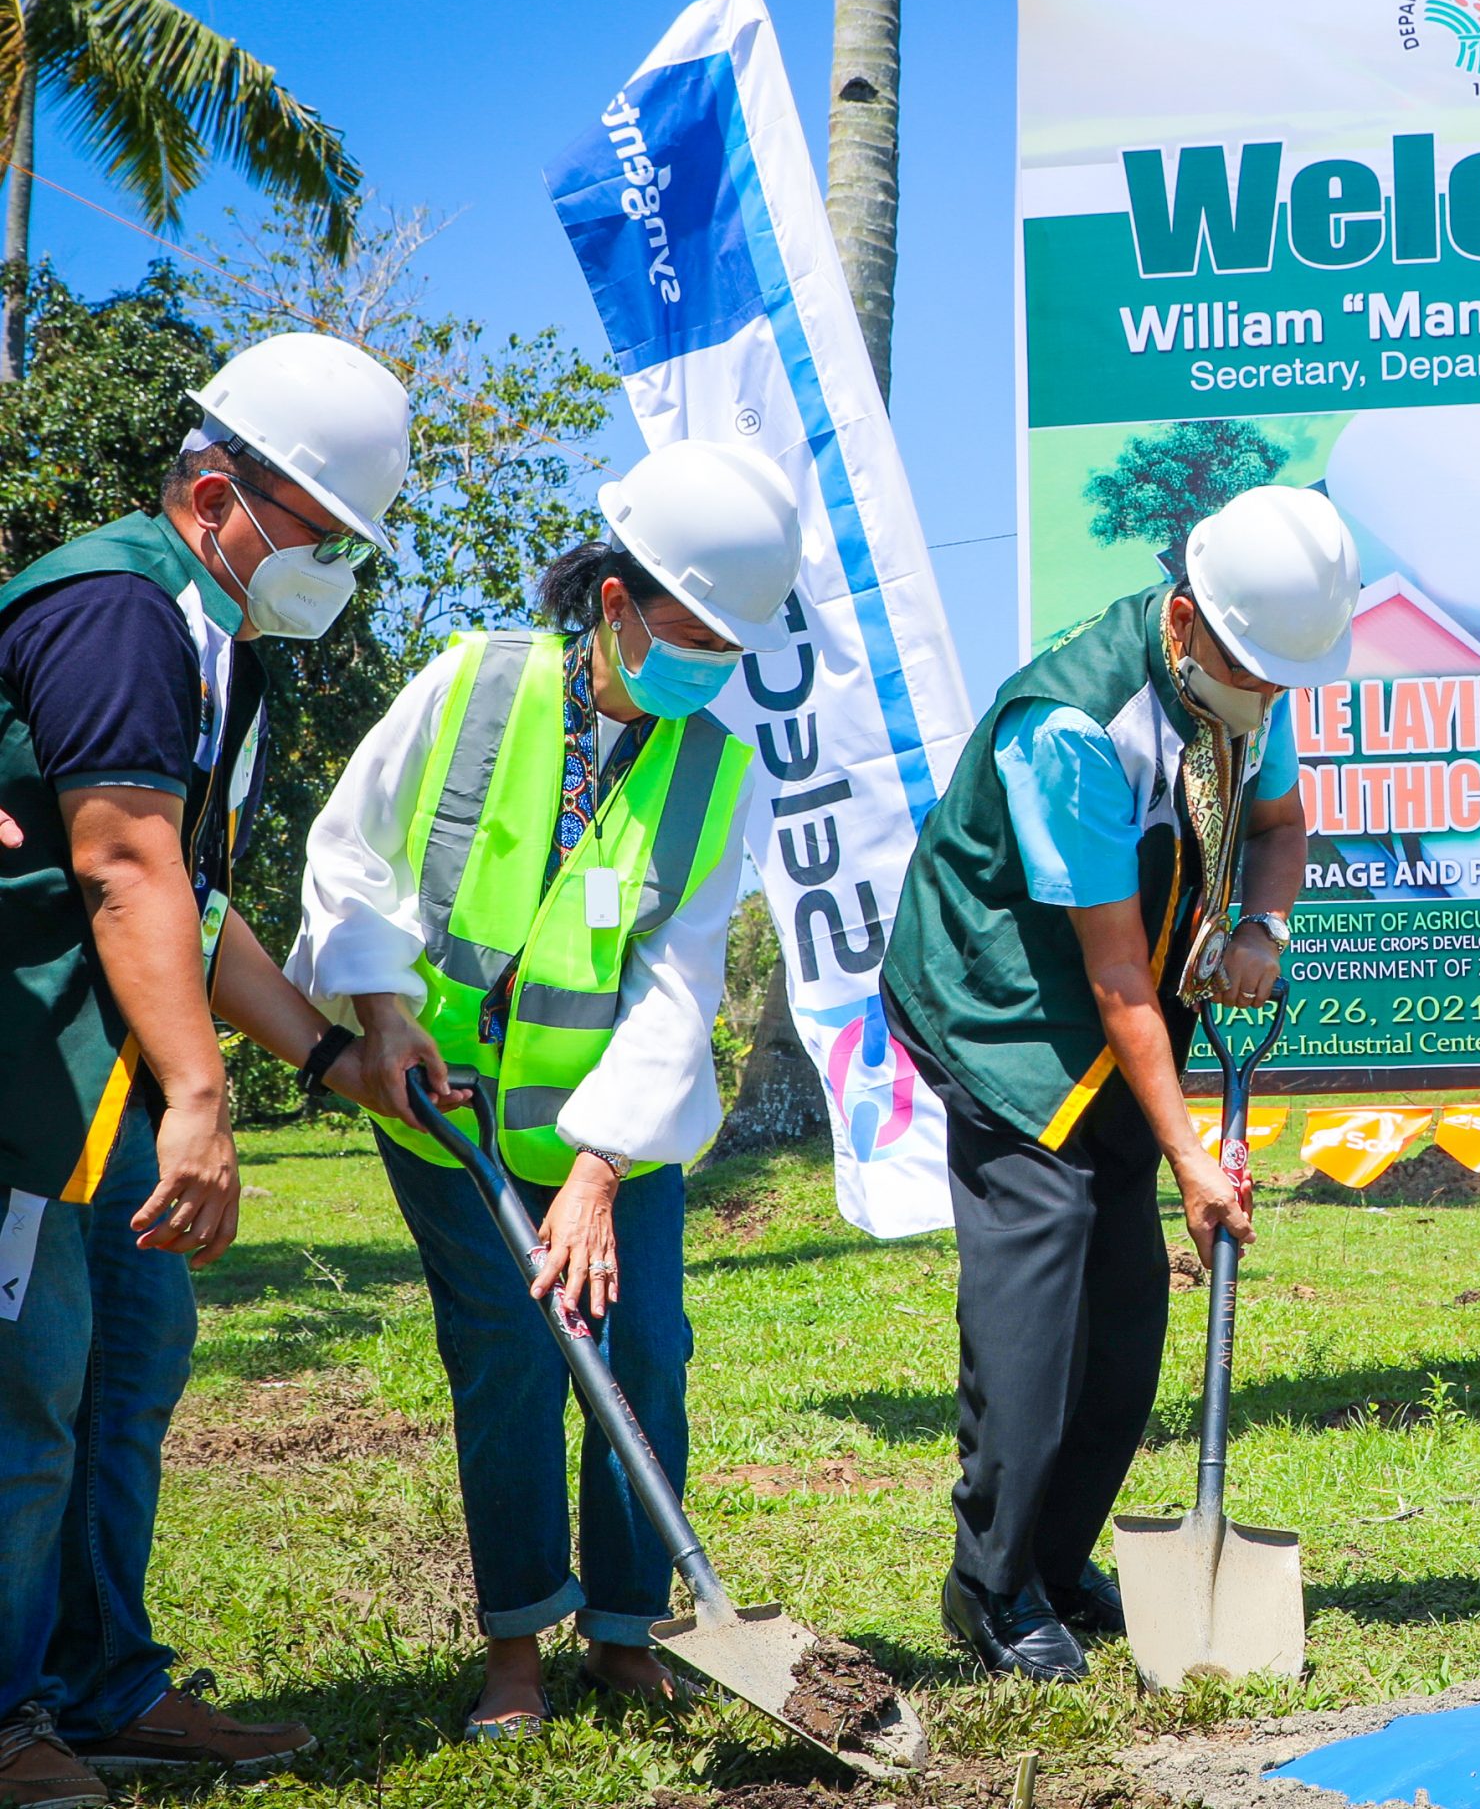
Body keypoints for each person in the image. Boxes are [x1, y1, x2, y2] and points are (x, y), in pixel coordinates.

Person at [283, 439, 798, 1739]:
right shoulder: (471, 684)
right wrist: (385, 1017)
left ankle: (628, 1632)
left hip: (609, 1129)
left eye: (731, 650)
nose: (708, 670)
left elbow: (678, 991)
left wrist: (600, 1171)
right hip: (440, 1099)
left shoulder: (714, 771)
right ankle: (518, 1647)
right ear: (614, 604)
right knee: (509, 1355)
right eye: (692, 636)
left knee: (644, 1353)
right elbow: (353, 855)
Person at [0, 333, 414, 1808]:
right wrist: (201, 1095)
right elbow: (117, 868)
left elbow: (199, 895)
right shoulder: (119, 607)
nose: (339, 570)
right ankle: (7, 1720)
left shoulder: (212, 639)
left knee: (126, 1377)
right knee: (27, 1389)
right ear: (218, 489)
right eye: (322, 533)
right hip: (27, 1077)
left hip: (102, 1086)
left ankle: (105, 1688)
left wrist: (320, 1050)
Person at [883, 486, 1359, 1681]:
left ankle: (1053, 1557)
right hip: (1003, 1002)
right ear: (1186, 621)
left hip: (1123, 996)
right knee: (1041, 1292)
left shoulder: (1243, 686)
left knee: (1128, 1313)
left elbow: (1280, 827)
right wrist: (1194, 1154)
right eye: (1250, 666)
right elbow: (1111, 982)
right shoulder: (1076, 724)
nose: (1266, 695)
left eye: (1281, 678)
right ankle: (989, 1589)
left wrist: (1265, 930)